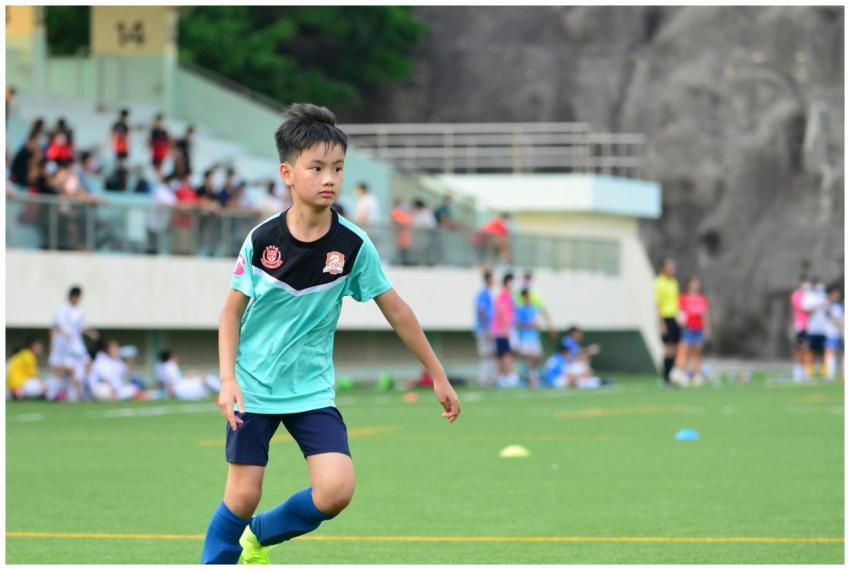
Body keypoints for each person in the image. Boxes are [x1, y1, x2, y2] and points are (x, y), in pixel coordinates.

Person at [200, 103, 460, 565]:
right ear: (288, 173)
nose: (330, 178)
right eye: (316, 167)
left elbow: (397, 311)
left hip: (311, 389)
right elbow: (229, 313)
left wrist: (437, 374)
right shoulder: (262, 241)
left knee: (337, 489)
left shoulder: (353, 244)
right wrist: (226, 379)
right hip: (255, 386)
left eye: (338, 168)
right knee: (242, 496)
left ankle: (257, 537)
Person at [46, 286, 97, 402]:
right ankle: (53, 395)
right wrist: (63, 336)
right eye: (76, 297)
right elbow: (57, 325)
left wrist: (90, 333)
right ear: (71, 296)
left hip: (76, 346)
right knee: (61, 372)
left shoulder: (79, 311)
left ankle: (85, 393)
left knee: (86, 365)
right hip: (63, 347)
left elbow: (80, 328)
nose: (77, 300)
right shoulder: (62, 310)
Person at [673, 277, 711, 386]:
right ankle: (679, 373)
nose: (695, 285)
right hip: (687, 329)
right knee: (683, 351)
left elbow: (705, 315)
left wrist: (706, 328)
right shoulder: (683, 298)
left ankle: (696, 375)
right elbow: (679, 313)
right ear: (689, 285)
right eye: (693, 283)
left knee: (696, 353)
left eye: (697, 283)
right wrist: (680, 322)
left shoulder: (702, 298)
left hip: (698, 329)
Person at [654, 258, 680, 386]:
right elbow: (659, 304)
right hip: (666, 317)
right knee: (668, 348)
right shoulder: (659, 282)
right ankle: (665, 378)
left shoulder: (674, 282)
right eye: (669, 267)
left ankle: (670, 376)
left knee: (675, 349)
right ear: (663, 268)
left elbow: (676, 301)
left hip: (674, 317)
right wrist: (661, 322)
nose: (672, 269)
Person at [490, 272, 518, 388]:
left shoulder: (506, 294)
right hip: (502, 330)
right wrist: (506, 328)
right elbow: (501, 311)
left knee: (503, 353)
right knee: (505, 353)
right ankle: (506, 376)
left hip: (503, 329)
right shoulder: (504, 294)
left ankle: (504, 377)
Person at [156, 350, 221, 401]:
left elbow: (167, 382)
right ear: (170, 357)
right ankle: (223, 391)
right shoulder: (170, 366)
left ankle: (220, 391)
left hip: (179, 391)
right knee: (208, 378)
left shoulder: (160, 366)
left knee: (204, 387)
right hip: (181, 388)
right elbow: (173, 382)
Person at [514, 289, 543, 387]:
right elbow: (517, 323)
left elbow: (538, 323)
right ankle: (527, 378)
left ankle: (533, 376)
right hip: (525, 337)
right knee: (526, 358)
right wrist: (527, 324)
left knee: (537, 357)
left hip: (534, 337)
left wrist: (536, 325)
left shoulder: (534, 309)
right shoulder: (520, 310)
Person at [804, 278, 830, 379]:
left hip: (823, 329)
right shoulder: (809, 297)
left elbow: (828, 311)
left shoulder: (823, 297)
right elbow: (806, 311)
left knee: (823, 353)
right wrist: (816, 306)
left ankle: (824, 374)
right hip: (812, 330)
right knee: (811, 352)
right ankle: (809, 374)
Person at [473, 269, 496, 386]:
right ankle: (484, 379)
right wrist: (486, 328)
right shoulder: (483, 293)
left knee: (490, 354)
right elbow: (481, 311)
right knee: (486, 354)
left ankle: (489, 378)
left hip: (488, 328)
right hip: (484, 329)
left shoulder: (489, 293)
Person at [790, 276, 812, 382]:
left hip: (808, 326)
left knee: (805, 349)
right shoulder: (796, 295)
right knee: (798, 349)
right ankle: (797, 374)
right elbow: (801, 307)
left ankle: (803, 373)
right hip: (799, 325)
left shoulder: (807, 295)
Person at [824, 286, 844, 382]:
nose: (837, 296)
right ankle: (830, 374)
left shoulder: (838, 307)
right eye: (835, 293)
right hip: (830, 333)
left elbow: (839, 320)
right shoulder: (827, 305)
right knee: (830, 353)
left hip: (838, 333)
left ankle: (841, 373)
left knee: (839, 354)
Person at [410, 198, 436, 265]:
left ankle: (427, 262)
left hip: (425, 234)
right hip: (417, 235)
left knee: (425, 249)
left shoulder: (426, 213)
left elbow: (430, 224)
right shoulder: (415, 213)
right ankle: (418, 262)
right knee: (418, 250)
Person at [390, 199, 413, 266]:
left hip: (404, 235)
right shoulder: (396, 212)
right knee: (399, 249)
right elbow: (397, 221)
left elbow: (407, 222)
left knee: (404, 249)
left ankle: (404, 262)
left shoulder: (403, 213)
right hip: (398, 235)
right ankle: (399, 262)